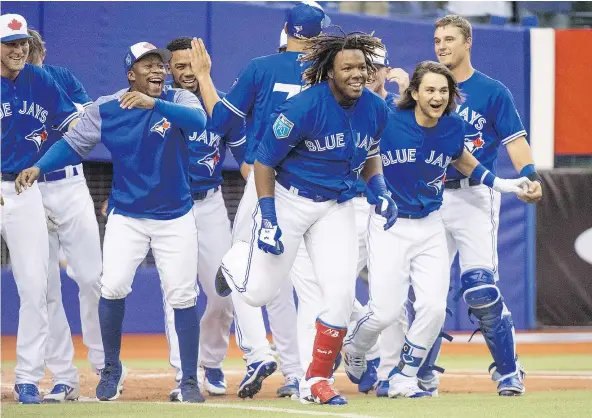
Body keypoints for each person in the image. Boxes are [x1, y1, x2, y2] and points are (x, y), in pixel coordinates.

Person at [16, 42, 208, 403]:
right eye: (147, 65)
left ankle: (189, 382)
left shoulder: (179, 101)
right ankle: (112, 368)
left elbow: (199, 122)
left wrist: (156, 104)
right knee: (112, 287)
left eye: (160, 66)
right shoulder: (107, 107)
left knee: (182, 295)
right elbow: (73, 144)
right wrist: (40, 166)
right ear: (130, 74)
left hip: (175, 216)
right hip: (128, 215)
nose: (157, 71)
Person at [216, 31, 397, 405]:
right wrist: (267, 215)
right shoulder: (302, 107)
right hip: (290, 200)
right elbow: (264, 161)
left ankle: (316, 379)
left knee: (341, 295)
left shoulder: (377, 109)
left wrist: (379, 187)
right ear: (330, 71)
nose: (357, 74)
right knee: (258, 293)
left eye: (362, 67)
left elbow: (370, 152)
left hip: (337, 206)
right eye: (347, 67)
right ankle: (233, 261)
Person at [342, 60, 534, 398]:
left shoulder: (452, 127)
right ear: (414, 93)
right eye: (430, 89)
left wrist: (506, 185)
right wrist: (377, 193)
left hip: (430, 222)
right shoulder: (387, 118)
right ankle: (355, 348)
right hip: (391, 223)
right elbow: (362, 159)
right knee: (385, 311)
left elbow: (465, 162)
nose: (437, 96)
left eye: (443, 91)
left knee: (432, 307)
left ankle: (406, 375)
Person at [187, 1, 333, 399]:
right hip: (317, 184)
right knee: (306, 286)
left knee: (241, 266)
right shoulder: (329, 74)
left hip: (266, 179)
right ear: (311, 35)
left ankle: (261, 353)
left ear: (288, 33)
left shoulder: (260, 67)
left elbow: (220, 123)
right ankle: (302, 372)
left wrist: (203, 77)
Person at [416, 14, 543, 396]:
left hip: (475, 195)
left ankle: (508, 371)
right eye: (437, 39)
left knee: (480, 289)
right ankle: (421, 373)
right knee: (427, 293)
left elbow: (515, 141)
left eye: (450, 38)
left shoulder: (491, 91)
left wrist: (531, 176)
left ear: (468, 42)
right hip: (431, 195)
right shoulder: (423, 88)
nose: (441, 45)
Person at [1, 13, 80, 405]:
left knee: (34, 287)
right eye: (9, 43)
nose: (18, 50)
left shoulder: (41, 80)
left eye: (22, 44)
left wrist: (41, 166)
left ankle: (28, 378)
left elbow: (73, 128)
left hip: (22, 190)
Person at [162, 36, 246, 400]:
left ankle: (211, 362)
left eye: (192, 64)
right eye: (179, 66)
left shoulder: (221, 104)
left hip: (211, 203)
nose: (187, 72)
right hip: (170, 206)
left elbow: (245, 157)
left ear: (205, 63)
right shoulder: (159, 102)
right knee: (177, 293)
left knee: (221, 293)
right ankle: (185, 373)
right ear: (169, 69)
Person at [26, 28, 104, 403]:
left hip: (70, 186)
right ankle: (63, 376)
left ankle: (106, 365)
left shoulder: (62, 78)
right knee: (44, 289)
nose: (27, 62)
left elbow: (90, 124)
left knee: (92, 278)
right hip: (28, 192)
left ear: (41, 55)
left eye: (31, 55)